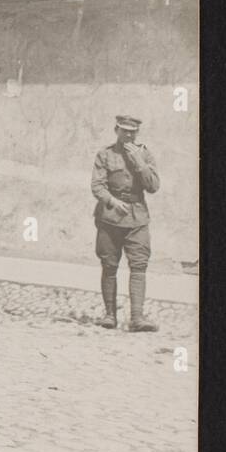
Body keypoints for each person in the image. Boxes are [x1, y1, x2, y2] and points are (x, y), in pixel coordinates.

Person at [92, 115, 161, 332]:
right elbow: (97, 186)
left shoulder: (145, 154)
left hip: (137, 218)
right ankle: (110, 315)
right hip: (110, 218)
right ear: (116, 130)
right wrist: (112, 201)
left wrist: (139, 163)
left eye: (133, 131)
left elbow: (153, 186)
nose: (129, 135)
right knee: (109, 265)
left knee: (139, 266)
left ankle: (137, 318)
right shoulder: (105, 154)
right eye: (124, 130)